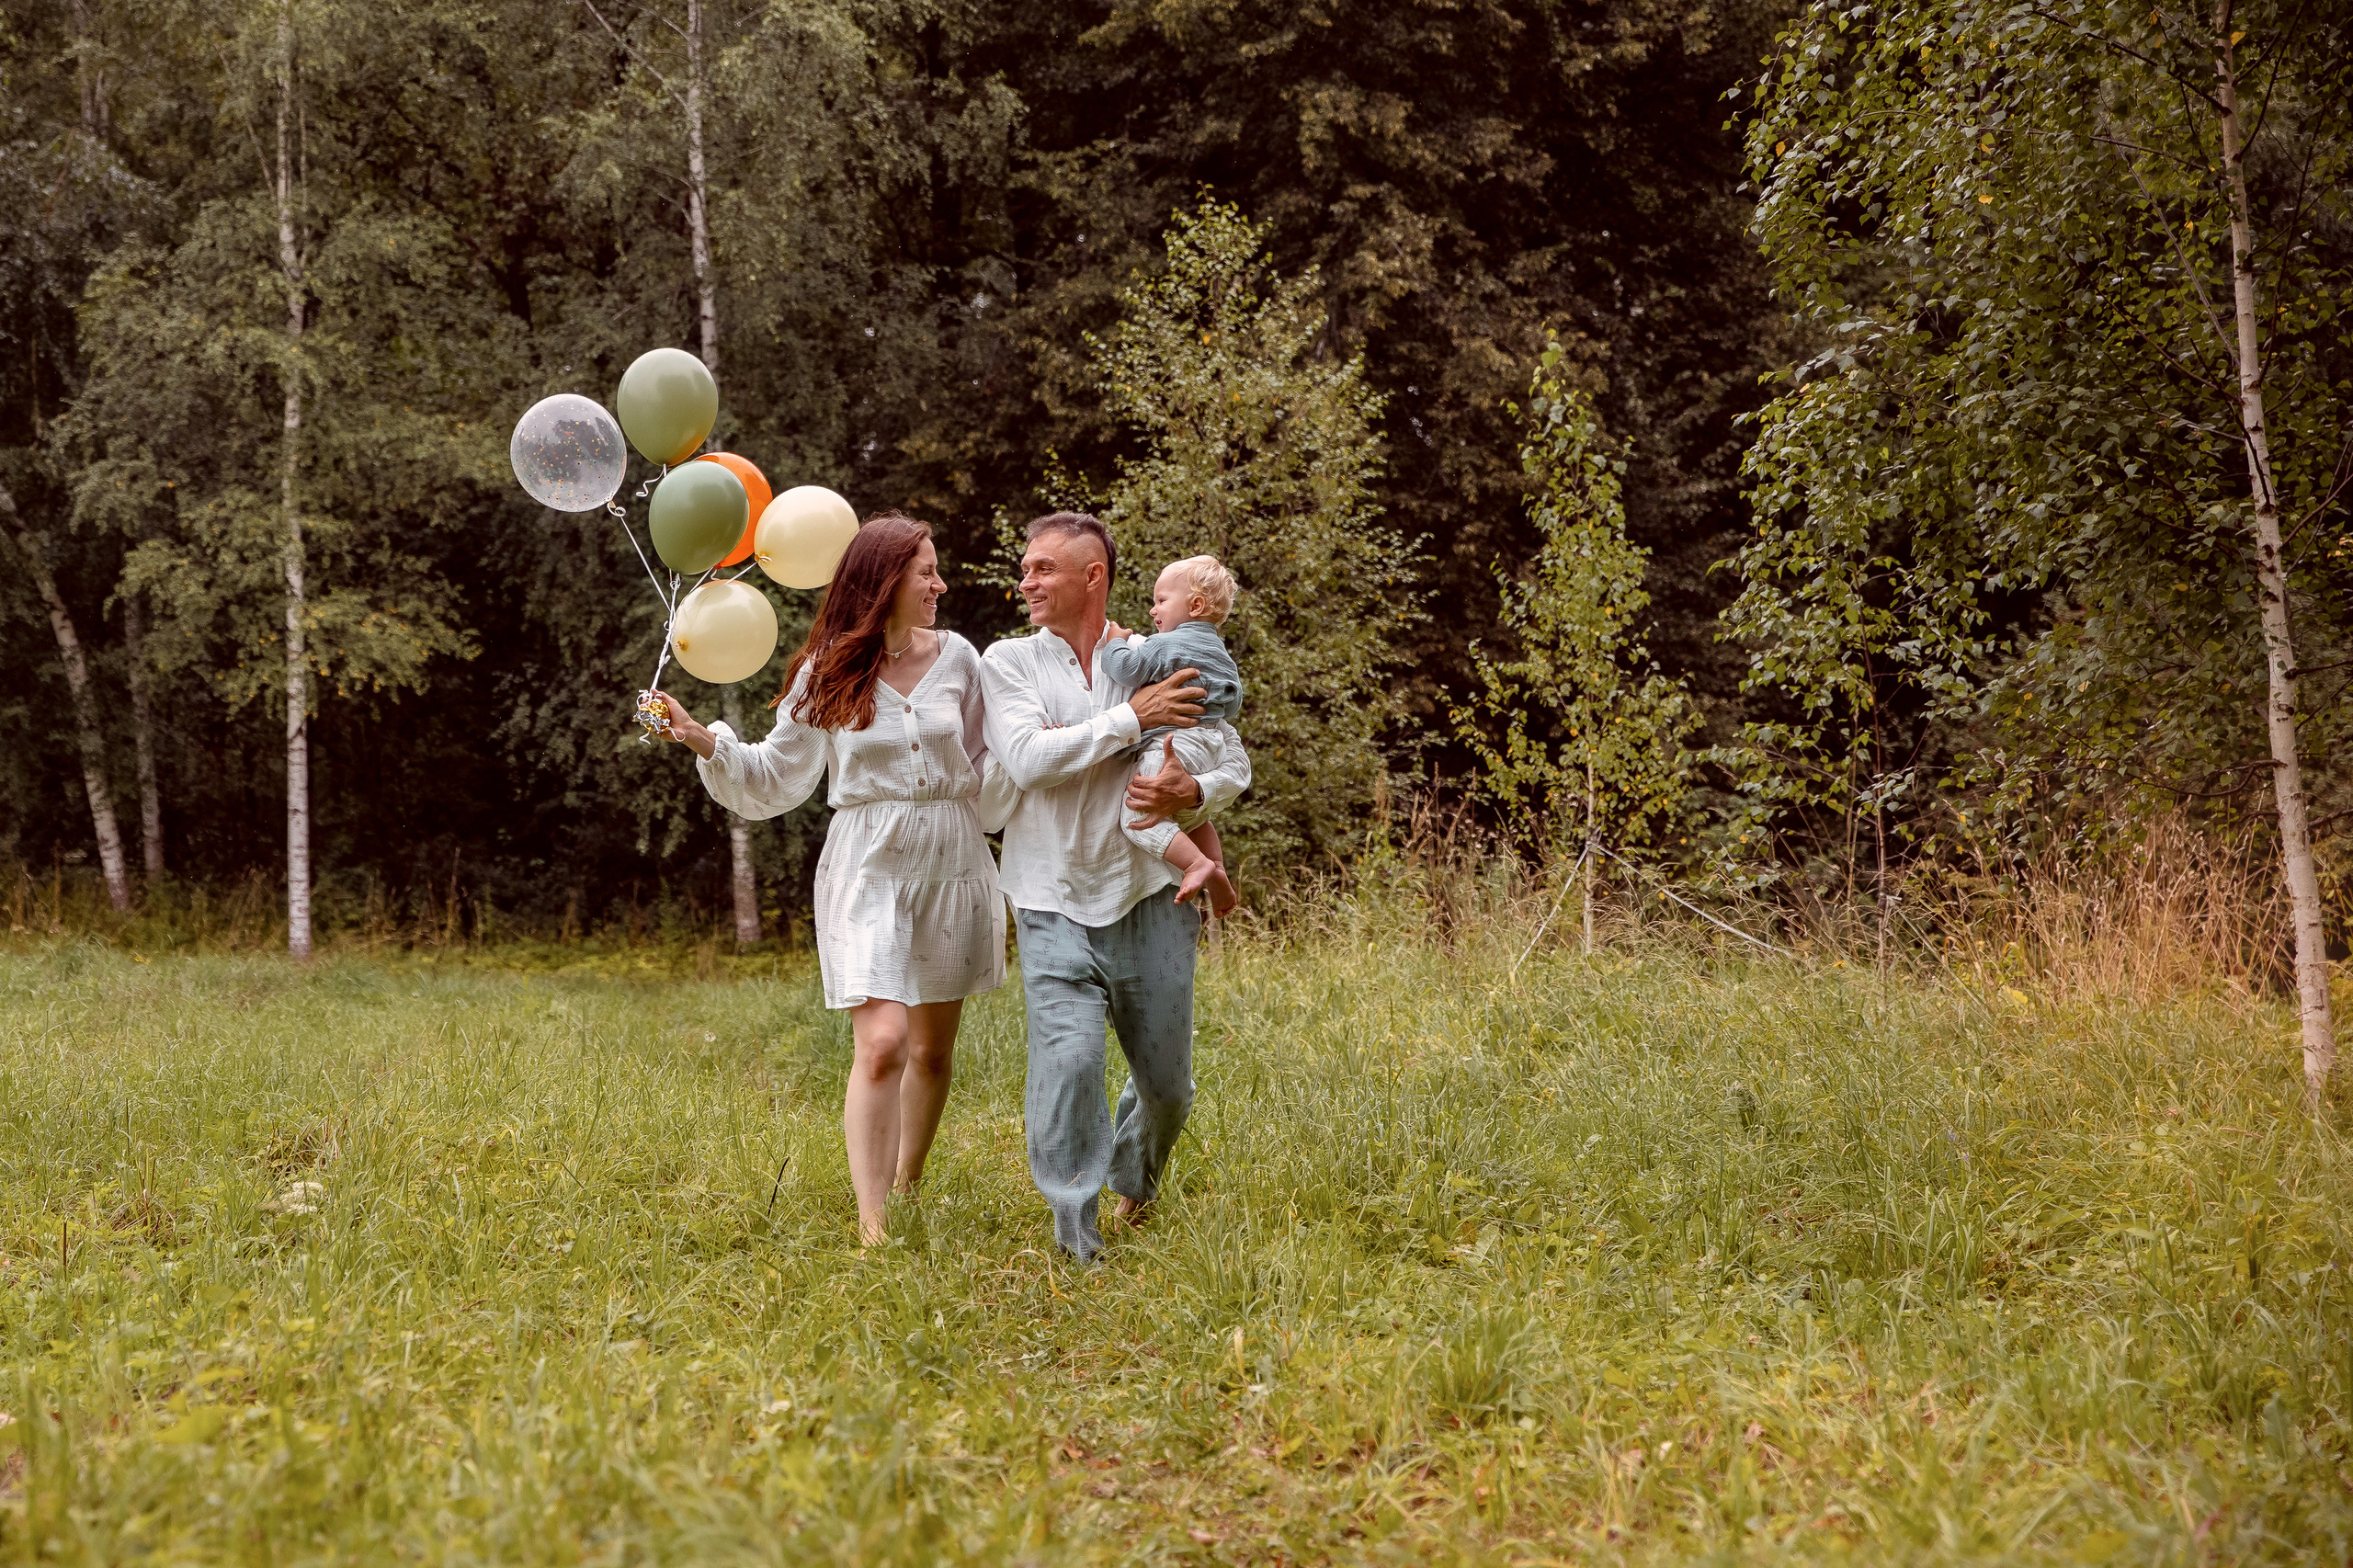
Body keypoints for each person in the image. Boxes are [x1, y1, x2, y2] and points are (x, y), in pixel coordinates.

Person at [653, 513, 1014, 1246]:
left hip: (952, 860)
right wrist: (701, 738)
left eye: (937, 571)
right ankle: (873, 1222)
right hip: (869, 862)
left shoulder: (961, 661)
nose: (940, 584)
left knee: (933, 1049)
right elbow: (774, 776)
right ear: (885, 581)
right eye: (927, 572)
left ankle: (908, 1181)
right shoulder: (827, 669)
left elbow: (996, 767)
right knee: (882, 1041)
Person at [981, 512, 1252, 1263]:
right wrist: (1134, 718)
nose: (1026, 581)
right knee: (1068, 1068)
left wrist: (1192, 789)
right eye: (1026, 568)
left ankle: (1136, 1179)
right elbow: (1031, 759)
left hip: (1150, 896)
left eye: (1043, 569)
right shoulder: (1007, 664)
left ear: (1092, 577)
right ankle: (1077, 1235)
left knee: (1167, 1088)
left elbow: (1230, 755)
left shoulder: (1150, 652)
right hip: (1049, 895)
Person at [1099, 554, 1243, 915]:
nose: (1152, 610)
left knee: (1137, 818)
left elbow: (1126, 669)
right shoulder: (1221, 651)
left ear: (1194, 605)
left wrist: (1114, 643)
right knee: (1194, 815)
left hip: (1173, 745)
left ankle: (1195, 865)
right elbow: (1233, 704)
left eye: (1161, 600)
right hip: (1211, 741)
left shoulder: (1166, 645)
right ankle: (1218, 868)